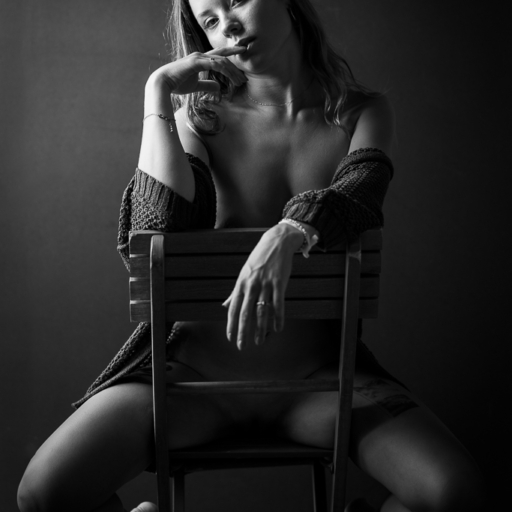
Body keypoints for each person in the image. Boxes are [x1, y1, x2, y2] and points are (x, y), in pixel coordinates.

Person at [18, 1, 485, 511]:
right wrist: (158, 94)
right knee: (43, 492)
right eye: (209, 20)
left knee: (456, 492)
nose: (228, 27)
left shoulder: (360, 112)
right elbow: (158, 231)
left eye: (237, 0)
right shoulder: (200, 121)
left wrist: (289, 232)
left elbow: (359, 192)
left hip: (317, 386)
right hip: (192, 385)